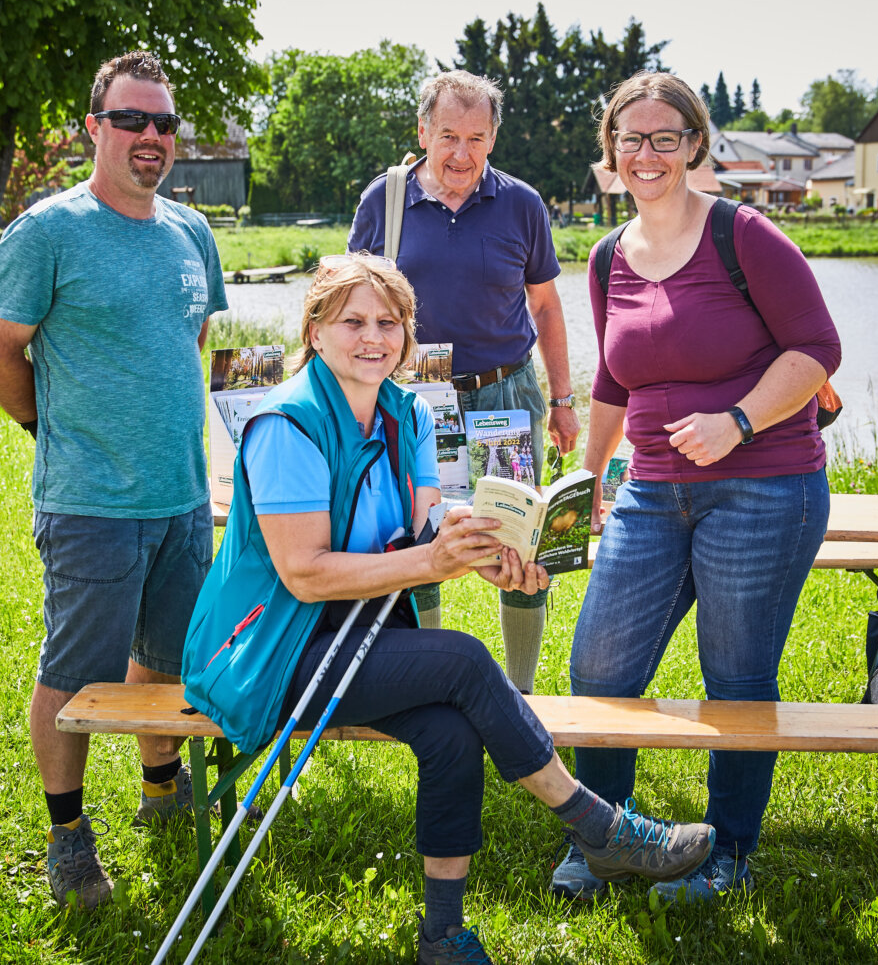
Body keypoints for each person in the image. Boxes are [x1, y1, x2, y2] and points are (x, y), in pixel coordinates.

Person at [182, 254, 714, 965]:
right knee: (464, 660)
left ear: (407, 334)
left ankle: (442, 935)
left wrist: (493, 558)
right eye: (352, 322)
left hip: (359, 634)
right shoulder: (286, 424)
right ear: (313, 331)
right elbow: (304, 575)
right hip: (271, 649)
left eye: (389, 322)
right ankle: (599, 827)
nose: (373, 338)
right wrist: (432, 563)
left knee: (450, 733)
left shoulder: (407, 413)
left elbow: (427, 527)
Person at [549, 73, 841, 903]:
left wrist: (737, 422)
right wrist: (587, 474)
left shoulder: (743, 235)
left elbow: (816, 350)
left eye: (664, 138)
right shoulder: (608, 257)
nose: (646, 154)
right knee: (601, 666)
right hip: (650, 492)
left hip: (764, 487)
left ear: (694, 145)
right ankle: (611, 839)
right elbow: (612, 377)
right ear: (610, 153)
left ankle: (730, 856)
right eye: (630, 140)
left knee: (736, 677)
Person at [0, 51, 228, 910]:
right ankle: (68, 836)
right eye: (130, 120)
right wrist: (48, 430)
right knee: (76, 671)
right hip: (89, 503)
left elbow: (185, 340)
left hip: (184, 497)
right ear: (95, 127)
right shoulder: (48, 231)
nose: (150, 137)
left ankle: (162, 788)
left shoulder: (191, 232)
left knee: (165, 657)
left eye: (162, 123)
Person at [347, 70, 580, 695]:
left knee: (521, 547)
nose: (460, 153)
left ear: (493, 140)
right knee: (421, 537)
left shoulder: (522, 205)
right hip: (416, 400)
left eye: (476, 138)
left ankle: (523, 694)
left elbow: (548, 308)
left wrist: (561, 400)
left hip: (505, 397)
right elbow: (346, 301)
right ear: (423, 131)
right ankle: (427, 687)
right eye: (448, 135)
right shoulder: (384, 201)